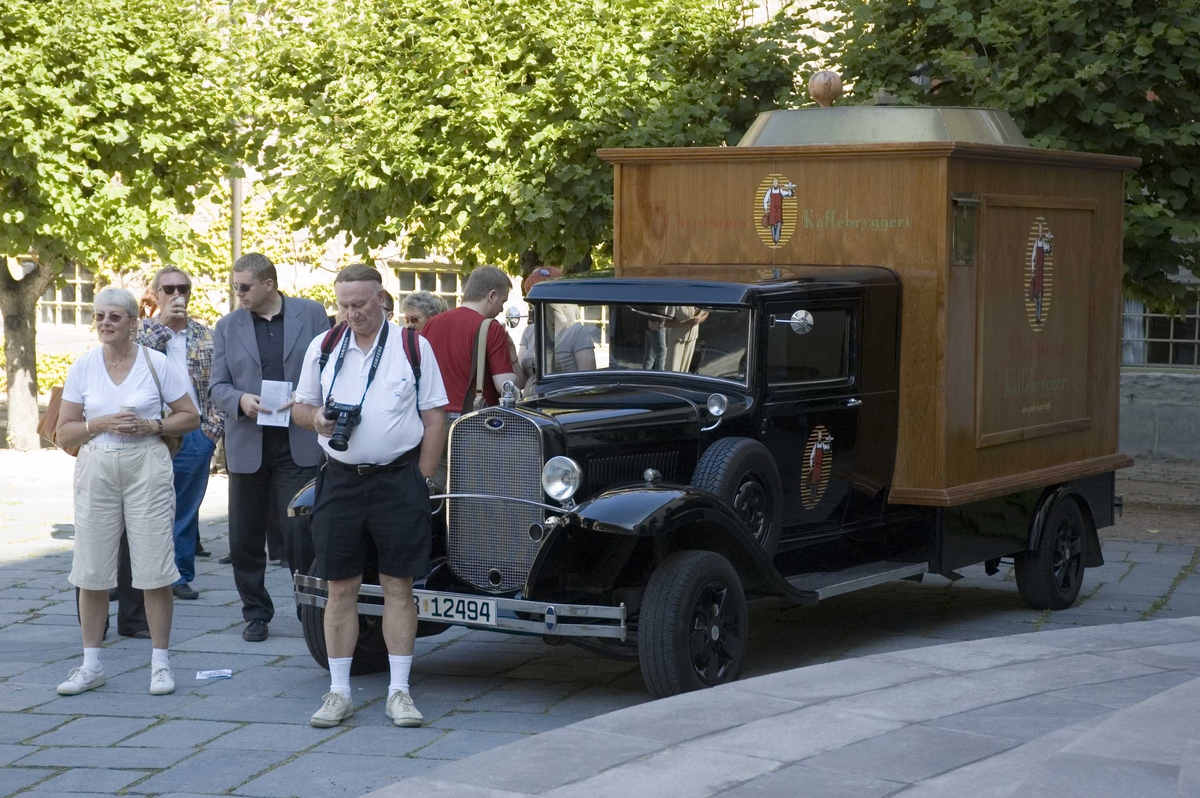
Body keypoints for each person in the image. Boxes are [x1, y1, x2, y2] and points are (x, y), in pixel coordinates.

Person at [292, 264, 448, 729]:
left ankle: (399, 691)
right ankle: (339, 692)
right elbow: (299, 407)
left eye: (359, 304)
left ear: (381, 298)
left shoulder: (412, 347)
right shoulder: (324, 346)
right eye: (343, 304)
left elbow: (435, 417)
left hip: (397, 478)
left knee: (399, 586)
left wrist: (421, 477)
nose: (350, 313)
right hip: (339, 479)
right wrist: (317, 418)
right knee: (339, 586)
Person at [54, 287, 200, 697]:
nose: (105, 324)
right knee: (91, 567)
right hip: (97, 463)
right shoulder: (83, 366)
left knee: (154, 566)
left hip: (146, 465)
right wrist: (97, 424)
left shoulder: (156, 363)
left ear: (134, 322)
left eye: (114, 317)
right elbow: (63, 432)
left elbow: (190, 417)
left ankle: (160, 663)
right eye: (99, 316)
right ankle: (90, 664)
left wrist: (152, 426)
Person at [210, 252, 329, 642]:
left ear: (268, 285)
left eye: (244, 287)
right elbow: (217, 387)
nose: (238, 293)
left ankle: (308, 608)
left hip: (299, 441)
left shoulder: (311, 314)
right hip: (249, 441)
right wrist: (241, 401)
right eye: (235, 286)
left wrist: (310, 400)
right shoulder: (227, 326)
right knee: (245, 536)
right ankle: (256, 612)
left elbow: (330, 366)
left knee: (301, 531)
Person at [137, 266, 223, 601]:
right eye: (169, 289)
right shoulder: (141, 330)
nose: (177, 295)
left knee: (184, 509)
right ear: (156, 294)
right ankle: (135, 575)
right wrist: (165, 326)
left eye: (183, 289)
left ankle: (180, 575)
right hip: (145, 433)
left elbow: (220, 387)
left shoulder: (206, 336)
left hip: (193, 434)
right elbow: (131, 358)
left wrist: (209, 434)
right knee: (141, 507)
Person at [421, 266, 518, 487]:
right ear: (491, 295)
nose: (502, 309)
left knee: (436, 492)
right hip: (473, 424)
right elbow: (506, 386)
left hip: (431, 421)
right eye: (502, 301)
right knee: (473, 496)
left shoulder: (432, 323)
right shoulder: (490, 328)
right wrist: (512, 357)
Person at [516, 267, 561, 396]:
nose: (532, 305)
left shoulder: (572, 330)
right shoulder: (529, 331)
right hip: (529, 402)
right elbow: (520, 380)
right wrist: (512, 355)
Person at [665, 306, 708, 372]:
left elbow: (706, 312)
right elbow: (667, 323)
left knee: (685, 369)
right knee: (673, 368)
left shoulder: (700, 299)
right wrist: (685, 322)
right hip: (677, 340)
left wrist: (700, 319)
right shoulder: (676, 302)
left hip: (692, 338)